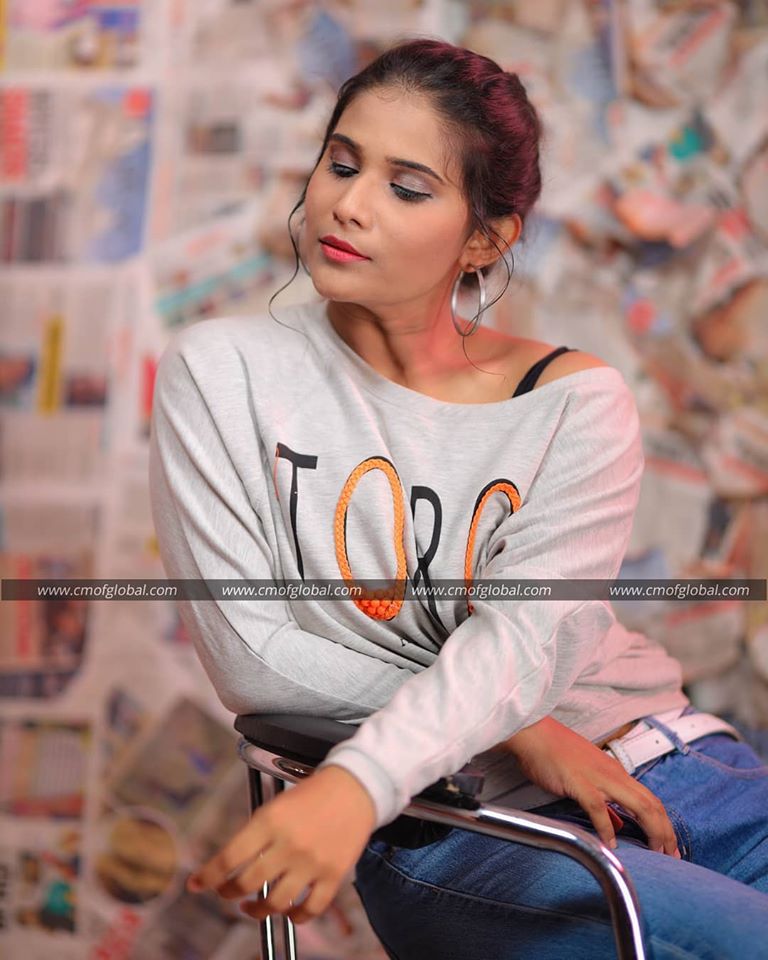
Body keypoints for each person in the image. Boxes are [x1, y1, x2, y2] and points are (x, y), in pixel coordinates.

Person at [148, 38, 768, 960]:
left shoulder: (575, 401)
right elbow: (253, 658)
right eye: (342, 164)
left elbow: (530, 640)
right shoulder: (223, 373)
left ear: (486, 238)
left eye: (407, 187)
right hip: (465, 827)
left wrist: (522, 709)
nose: (349, 204)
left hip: (689, 769)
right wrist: (518, 730)